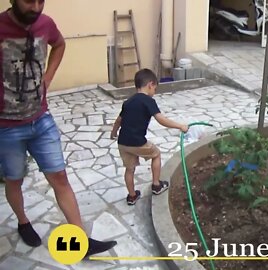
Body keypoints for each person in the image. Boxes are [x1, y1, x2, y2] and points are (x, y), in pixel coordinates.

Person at [0, 0, 117, 256]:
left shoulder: (46, 24)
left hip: (41, 119)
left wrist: (49, 76)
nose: (36, 7)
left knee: (59, 177)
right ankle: (23, 222)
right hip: (6, 127)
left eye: (41, 1)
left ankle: (82, 241)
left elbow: (60, 44)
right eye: (29, 1)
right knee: (14, 179)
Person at [110, 69, 189, 205]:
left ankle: (132, 196)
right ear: (150, 85)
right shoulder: (148, 101)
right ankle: (156, 185)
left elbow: (119, 120)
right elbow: (161, 120)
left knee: (129, 169)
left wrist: (113, 132)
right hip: (138, 142)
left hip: (123, 143)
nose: (154, 92)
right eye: (155, 89)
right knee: (156, 154)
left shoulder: (128, 102)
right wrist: (180, 126)